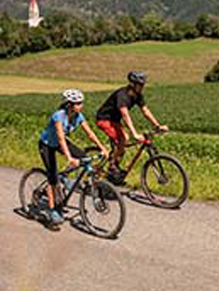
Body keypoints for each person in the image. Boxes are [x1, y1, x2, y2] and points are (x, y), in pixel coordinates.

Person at [38, 89, 109, 225]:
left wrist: (102, 148)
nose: (81, 105)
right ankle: (52, 210)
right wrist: (69, 158)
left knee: (84, 157)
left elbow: (90, 133)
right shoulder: (58, 116)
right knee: (52, 178)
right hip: (47, 145)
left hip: (60, 142)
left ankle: (64, 177)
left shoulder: (78, 116)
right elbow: (60, 137)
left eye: (81, 103)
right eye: (77, 103)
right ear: (69, 105)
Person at [95, 71, 168, 181]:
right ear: (133, 84)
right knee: (124, 138)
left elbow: (145, 111)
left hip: (115, 121)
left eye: (143, 84)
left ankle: (114, 171)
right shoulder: (122, 95)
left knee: (122, 146)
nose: (142, 87)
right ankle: (112, 166)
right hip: (104, 119)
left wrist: (157, 125)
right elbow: (125, 114)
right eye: (140, 84)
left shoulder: (138, 96)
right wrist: (134, 133)